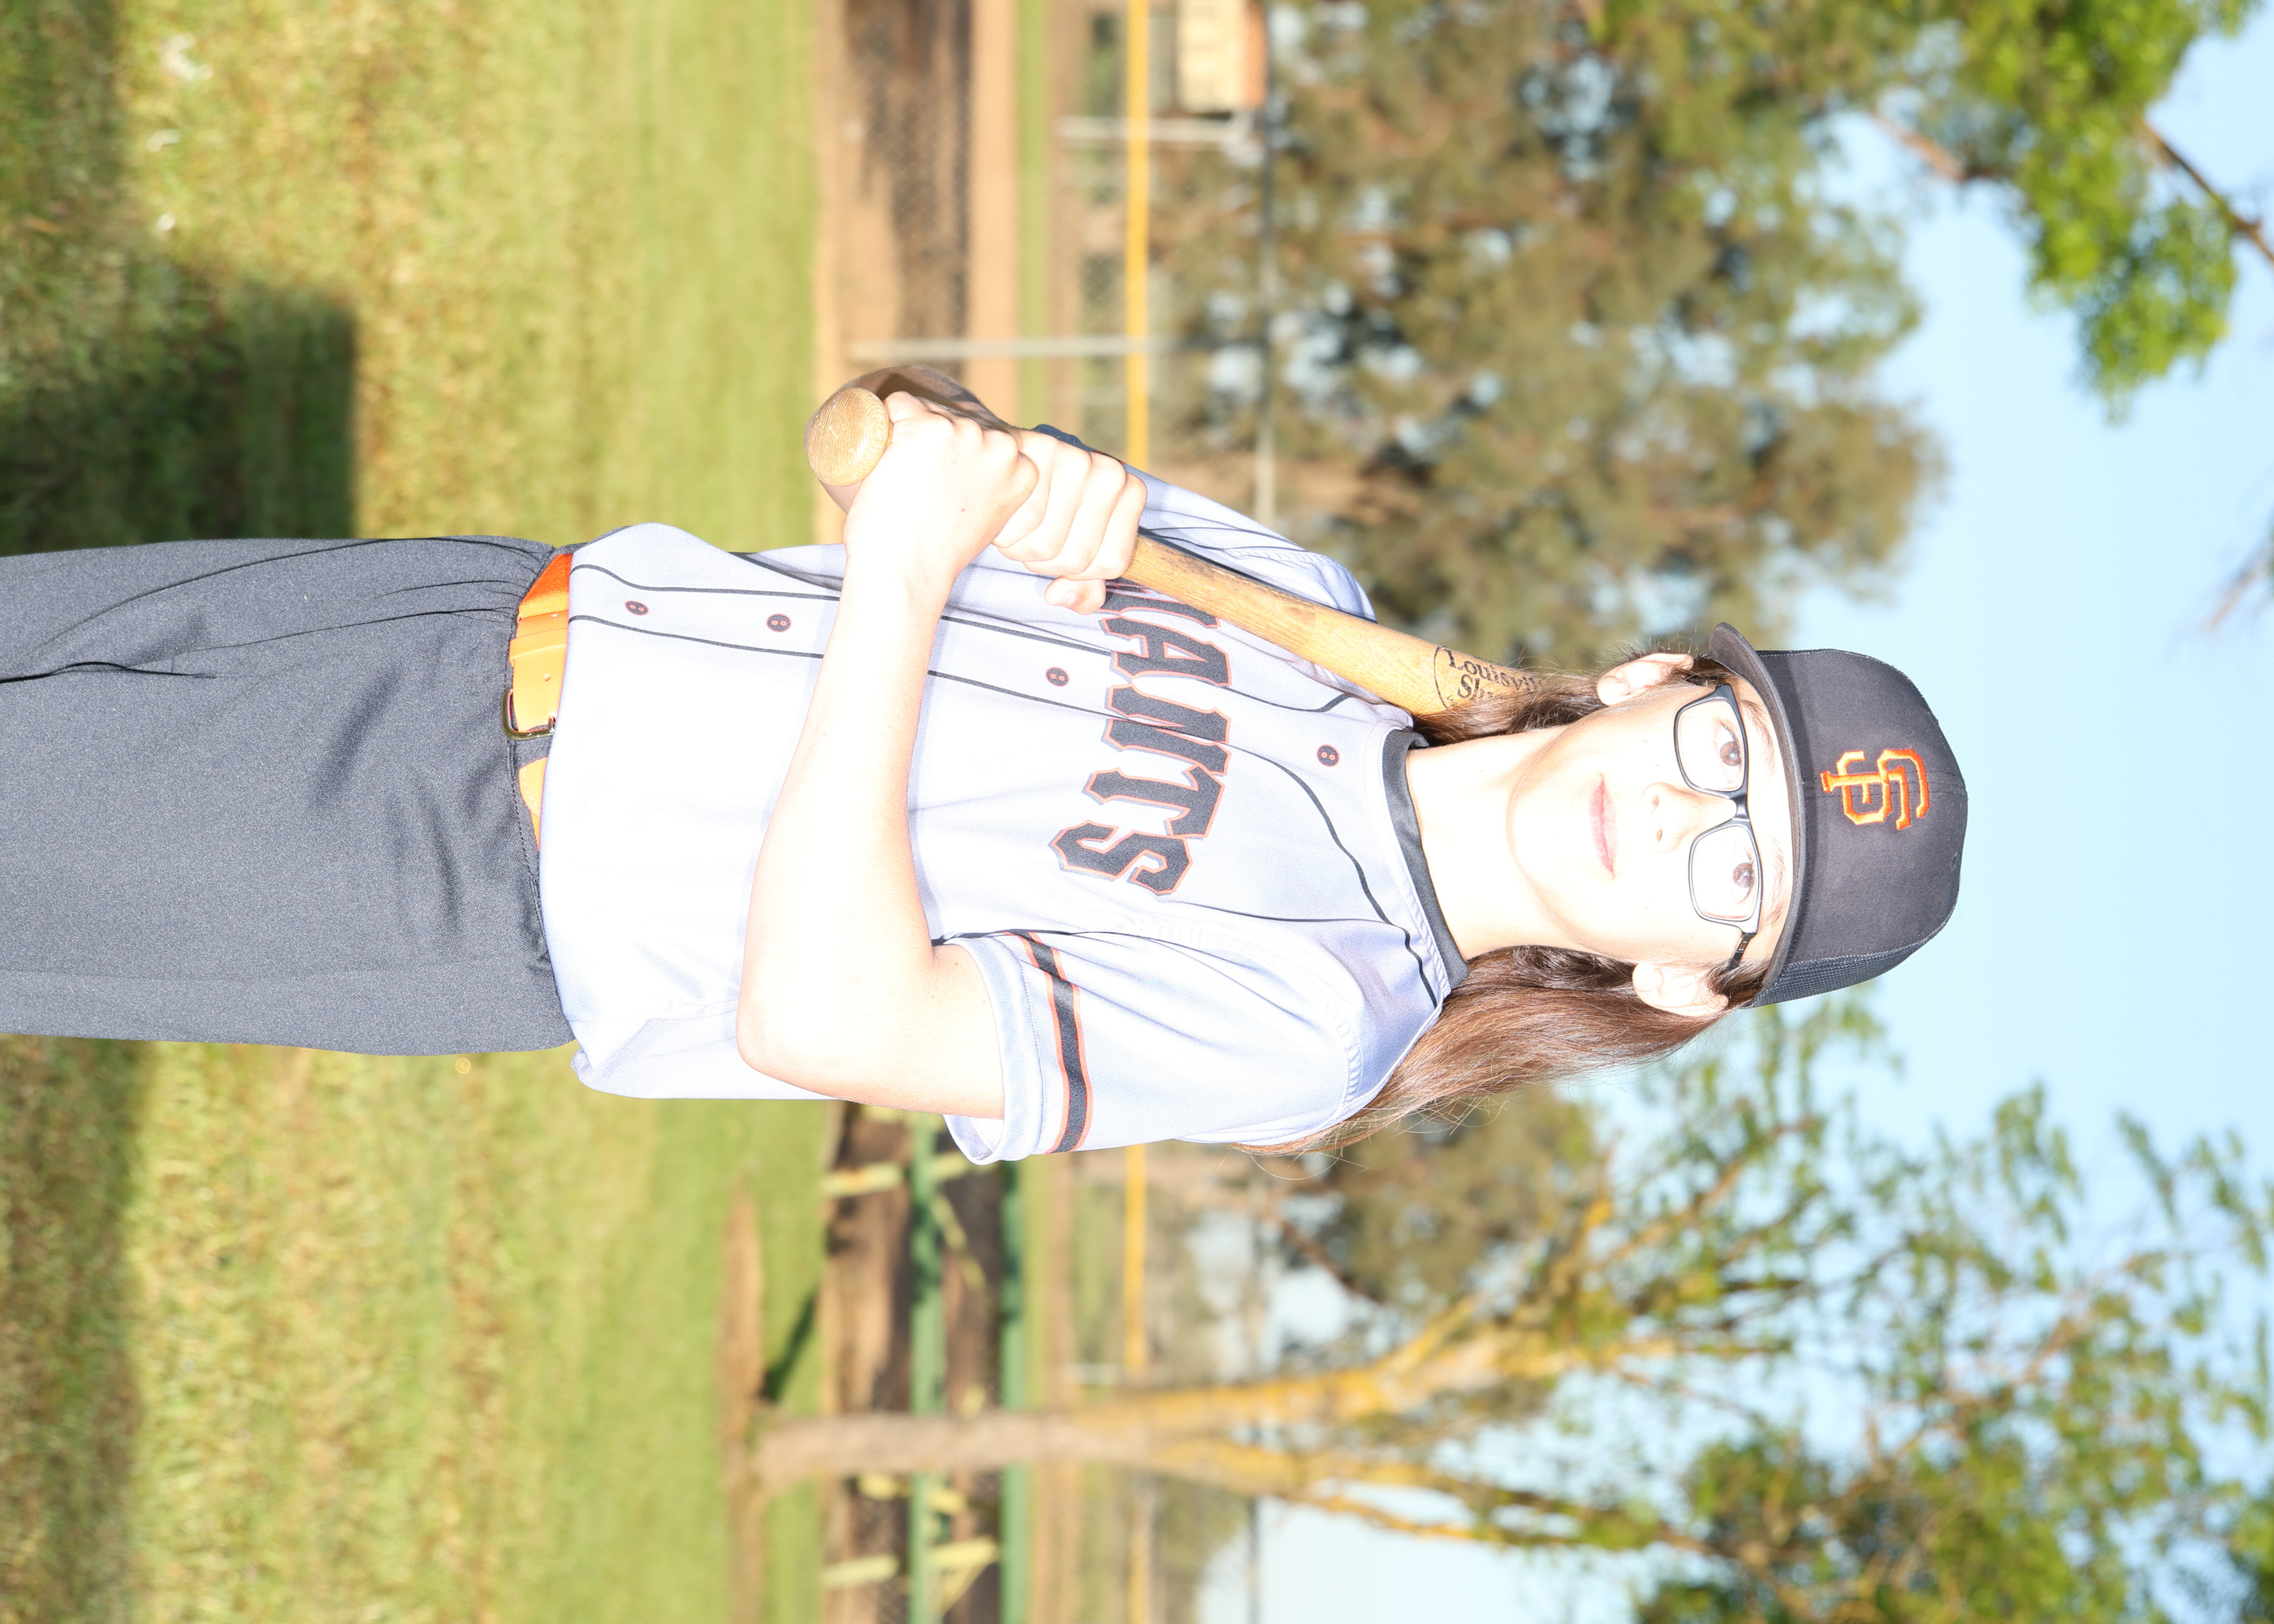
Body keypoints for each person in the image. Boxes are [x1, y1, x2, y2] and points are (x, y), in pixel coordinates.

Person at [0, 394, 1966, 1160]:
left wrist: (910, 575)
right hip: (474, 609)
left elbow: (827, 1017)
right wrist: (952, 449)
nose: (1685, 814)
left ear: (1686, 980)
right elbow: (860, 446)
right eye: (1722, 749)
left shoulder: (1321, 1021)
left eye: (1737, 873)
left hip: (443, 873)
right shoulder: (1301, 598)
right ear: (1647, 680)